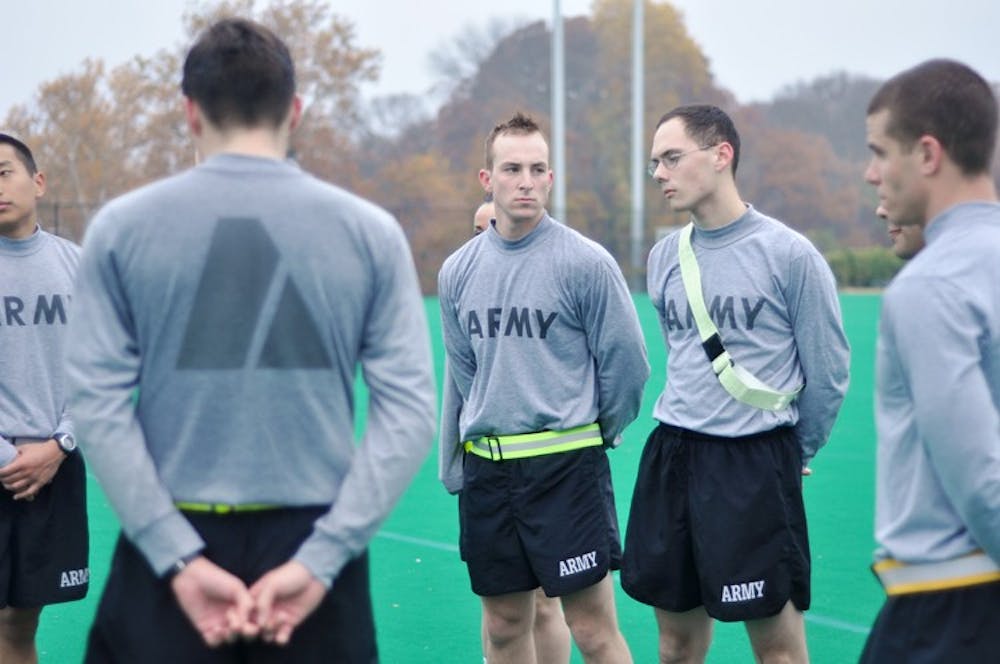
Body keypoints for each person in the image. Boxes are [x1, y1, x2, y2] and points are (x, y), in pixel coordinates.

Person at [64, 18, 436, 663]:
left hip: (166, 544)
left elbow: (95, 404)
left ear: (189, 112)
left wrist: (174, 554)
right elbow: (409, 412)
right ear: (294, 110)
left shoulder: (121, 228)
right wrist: (323, 558)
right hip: (314, 547)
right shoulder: (370, 232)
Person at [622, 104, 850, 663]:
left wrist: (792, 450)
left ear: (722, 155)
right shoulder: (663, 257)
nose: (659, 174)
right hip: (673, 455)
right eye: (655, 162)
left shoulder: (789, 255)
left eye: (672, 158)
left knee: (776, 647)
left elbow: (828, 370)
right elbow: (679, 357)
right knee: (675, 642)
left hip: (753, 464)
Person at [438, 112, 649, 664]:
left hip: (567, 472)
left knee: (592, 630)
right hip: (490, 473)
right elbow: (465, 370)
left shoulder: (585, 262)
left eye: (537, 169)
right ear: (488, 180)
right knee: (505, 625)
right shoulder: (456, 271)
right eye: (512, 168)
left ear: (551, 179)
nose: (525, 180)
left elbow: (628, 366)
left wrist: (594, 431)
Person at [860, 58, 1000, 663]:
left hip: (950, 608)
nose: (871, 175)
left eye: (879, 152)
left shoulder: (932, 286)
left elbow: (983, 485)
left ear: (927, 154)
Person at [443, 198, 574, 664]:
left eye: (491, 227)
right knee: (500, 608)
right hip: (489, 473)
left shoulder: (552, 277)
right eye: (477, 229)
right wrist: (453, 468)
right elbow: (457, 398)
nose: (485, 238)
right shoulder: (463, 291)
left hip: (547, 466)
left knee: (545, 600)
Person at [0, 132, 88, 664]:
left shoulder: (79, 265)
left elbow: (104, 370)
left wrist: (59, 445)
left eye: (3, 172)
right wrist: (9, 458)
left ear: (38, 182)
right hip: (9, 464)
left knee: (19, 624)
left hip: (55, 466)